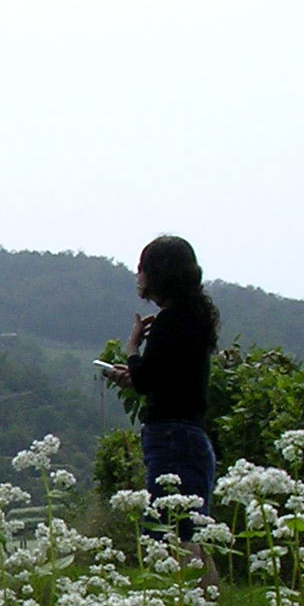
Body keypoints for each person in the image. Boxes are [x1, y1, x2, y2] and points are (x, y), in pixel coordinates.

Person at [107, 235, 220, 584]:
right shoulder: (195, 320)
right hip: (192, 434)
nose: (138, 277)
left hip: (170, 437)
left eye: (141, 269)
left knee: (172, 534)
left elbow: (145, 380)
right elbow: (167, 379)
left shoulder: (170, 322)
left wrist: (132, 348)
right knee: (191, 532)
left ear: (157, 275)